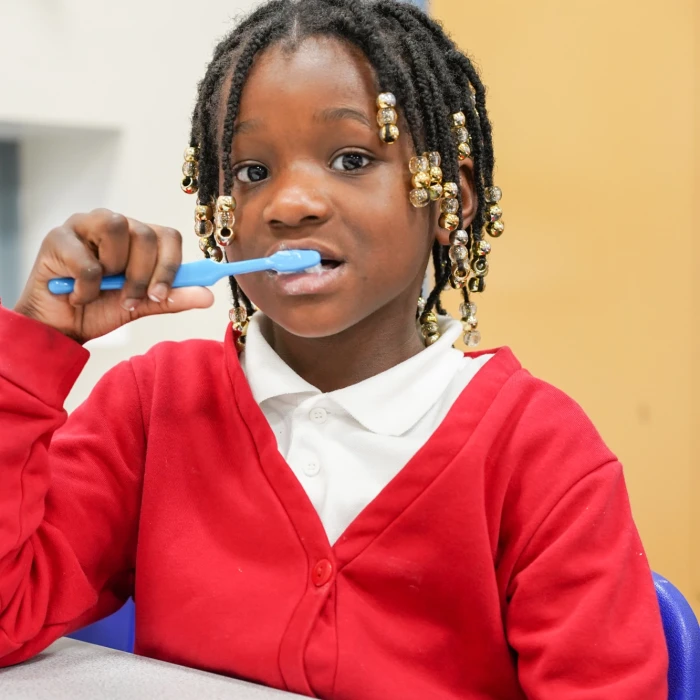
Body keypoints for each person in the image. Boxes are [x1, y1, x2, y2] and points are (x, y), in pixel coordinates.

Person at [0, 0, 667, 697]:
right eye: (252, 172)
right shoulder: (154, 408)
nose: (290, 203)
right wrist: (37, 342)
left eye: (351, 159)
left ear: (450, 200)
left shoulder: (543, 454)